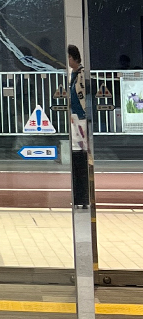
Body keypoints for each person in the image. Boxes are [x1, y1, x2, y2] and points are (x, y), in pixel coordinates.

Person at [68, 44, 89, 208]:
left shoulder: (82, 75)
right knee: (76, 157)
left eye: (68, 57)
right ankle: (78, 197)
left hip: (81, 119)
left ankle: (83, 197)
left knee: (82, 157)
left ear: (72, 57)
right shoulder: (73, 75)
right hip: (75, 119)